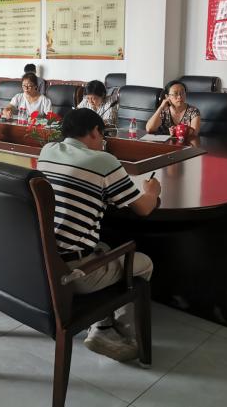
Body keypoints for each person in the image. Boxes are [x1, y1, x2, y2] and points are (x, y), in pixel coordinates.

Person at [38, 108, 161, 362]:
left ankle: (103, 322)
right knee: (144, 263)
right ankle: (113, 332)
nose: (102, 142)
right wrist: (152, 191)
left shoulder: (48, 150)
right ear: (95, 131)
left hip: (45, 262)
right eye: (102, 136)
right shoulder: (104, 161)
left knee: (103, 246)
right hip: (74, 273)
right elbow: (143, 208)